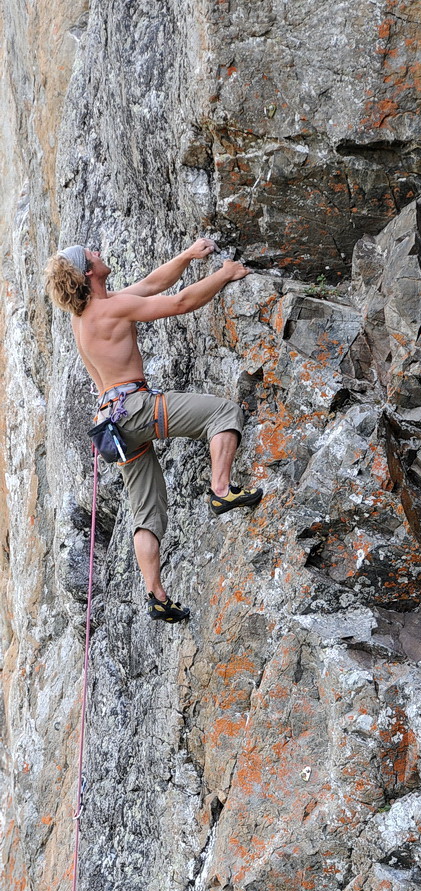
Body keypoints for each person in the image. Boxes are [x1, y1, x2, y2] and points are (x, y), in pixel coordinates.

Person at [44, 238, 263, 623]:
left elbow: (150, 284)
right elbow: (179, 303)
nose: (98, 251)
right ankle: (222, 490)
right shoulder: (111, 309)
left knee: (146, 510)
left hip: (112, 426)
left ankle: (156, 594)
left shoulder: (86, 316)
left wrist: (187, 256)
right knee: (223, 413)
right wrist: (225, 274)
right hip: (136, 409)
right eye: (91, 253)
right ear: (88, 271)